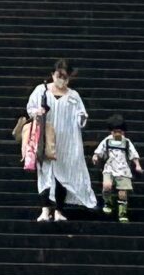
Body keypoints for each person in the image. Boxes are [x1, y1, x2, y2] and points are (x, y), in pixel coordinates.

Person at [25, 61, 96, 222]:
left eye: (65, 77)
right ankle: (45, 210)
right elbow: (30, 109)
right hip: (45, 138)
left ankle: (59, 210)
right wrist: (37, 112)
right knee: (44, 173)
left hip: (67, 142)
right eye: (59, 76)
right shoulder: (41, 90)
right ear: (53, 75)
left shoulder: (73, 95)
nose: (62, 80)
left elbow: (81, 117)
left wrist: (82, 118)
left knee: (63, 175)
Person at [91, 115, 144, 222]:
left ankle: (122, 212)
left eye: (119, 131)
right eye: (115, 131)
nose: (117, 134)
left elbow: (133, 154)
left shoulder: (127, 142)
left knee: (122, 193)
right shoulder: (107, 141)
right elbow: (99, 151)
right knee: (107, 185)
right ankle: (108, 202)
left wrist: (137, 165)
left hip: (122, 169)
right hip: (109, 167)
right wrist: (96, 156)